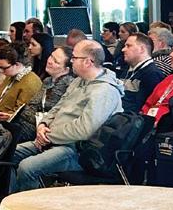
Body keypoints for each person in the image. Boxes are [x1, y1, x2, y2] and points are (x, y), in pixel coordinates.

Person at [8, 41, 122, 193]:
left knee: (27, 168)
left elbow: (84, 130)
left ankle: (31, 206)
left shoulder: (104, 91)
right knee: (7, 153)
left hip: (77, 149)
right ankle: (11, 199)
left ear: (88, 62)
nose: (72, 61)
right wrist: (43, 125)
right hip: (54, 140)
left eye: (74, 57)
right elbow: (58, 107)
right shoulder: (78, 81)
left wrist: (49, 137)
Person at [119, 33, 167, 114]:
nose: (123, 49)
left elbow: (143, 109)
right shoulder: (127, 70)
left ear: (141, 49)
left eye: (128, 46)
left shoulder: (153, 75)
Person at [35, 44, 75, 113]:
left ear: (66, 70)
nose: (49, 61)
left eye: (56, 61)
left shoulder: (67, 86)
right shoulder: (47, 80)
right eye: (51, 56)